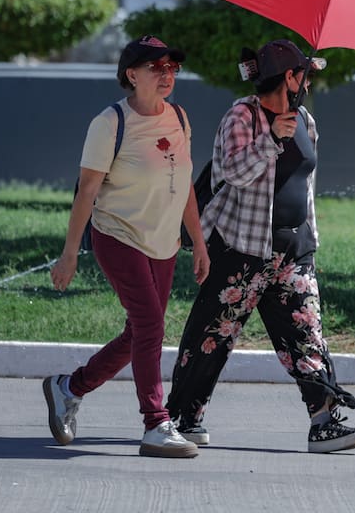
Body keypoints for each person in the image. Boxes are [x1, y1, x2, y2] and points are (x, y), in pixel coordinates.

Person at [166, 38, 355, 454]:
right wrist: (271, 140)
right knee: (212, 336)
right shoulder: (242, 116)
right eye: (305, 76)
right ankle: (184, 419)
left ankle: (324, 422)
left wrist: (310, 237)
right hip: (243, 250)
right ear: (289, 77)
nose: (308, 84)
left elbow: (305, 184)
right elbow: (234, 172)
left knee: (306, 336)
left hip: (293, 252)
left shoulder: (306, 121)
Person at [42, 35, 211, 459]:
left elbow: (184, 185)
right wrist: (69, 254)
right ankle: (156, 423)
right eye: (157, 68)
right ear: (131, 75)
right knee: (151, 326)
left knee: (139, 332)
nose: (167, 75)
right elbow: (86, 191)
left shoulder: (180, 118)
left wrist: (199, 243)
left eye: (172, 68)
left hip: (164, 242)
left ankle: (69, 387)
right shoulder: (110, 123)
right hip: (118, 237)